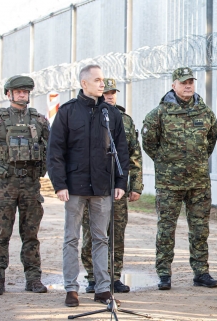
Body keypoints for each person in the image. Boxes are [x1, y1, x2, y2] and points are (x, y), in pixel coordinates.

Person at [47, 64, 130, 307]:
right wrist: (60, 183)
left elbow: (121, 151)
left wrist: (121, 182)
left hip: (103, 187)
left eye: (102, 80)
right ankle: (71, 288)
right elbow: (55, 151)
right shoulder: (68, 112)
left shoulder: (110, 114)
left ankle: (103, 288)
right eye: (97, 80)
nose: (102, 84)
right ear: (84, 84)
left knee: (101, 238)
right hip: (73, 187)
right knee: (72, 238)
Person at [142, 67, 217, 291]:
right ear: (173, 85)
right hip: (169, 184)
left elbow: (211, 140)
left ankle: (201, 272)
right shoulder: (158, 113)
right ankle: (164, 273)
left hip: (199, 183)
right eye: (183, 82)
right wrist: (167, 162)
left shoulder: (206, 113)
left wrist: (196, 160)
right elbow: (149, 144)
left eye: (191, 82)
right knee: (166, 230)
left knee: (200, 230)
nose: (188, 86)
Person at [0, 76, 50, 295]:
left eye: (25, 91)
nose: (22, 95)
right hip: (6, 185)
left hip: (31, 185)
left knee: (31, 235)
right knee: (1, 235)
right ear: (9, 94)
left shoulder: (39, 120)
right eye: (18, 92)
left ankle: (33, 279)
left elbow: (52, 147)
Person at [81, 78, 143, 294]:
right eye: (105, 92)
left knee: (116, 232)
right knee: (92, 232)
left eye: (112, 92)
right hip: (93, 186)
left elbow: (134, 154)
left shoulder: (124, 120)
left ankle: (114, 276)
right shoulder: (88, 114)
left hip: (116, 186)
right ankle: (92, 277)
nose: (109, 95)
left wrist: (135, 185)